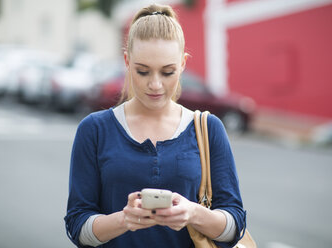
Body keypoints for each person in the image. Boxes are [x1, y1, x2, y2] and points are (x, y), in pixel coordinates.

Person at [64, 3, 246, 248]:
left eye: (167, 72)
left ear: (182, 64)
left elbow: (235, 226)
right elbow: (77, 227)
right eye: (143, 71)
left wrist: (193, 213)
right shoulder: (94, 130)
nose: (155, 85)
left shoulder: (208, 128)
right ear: (127, 61)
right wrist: (124, 220)